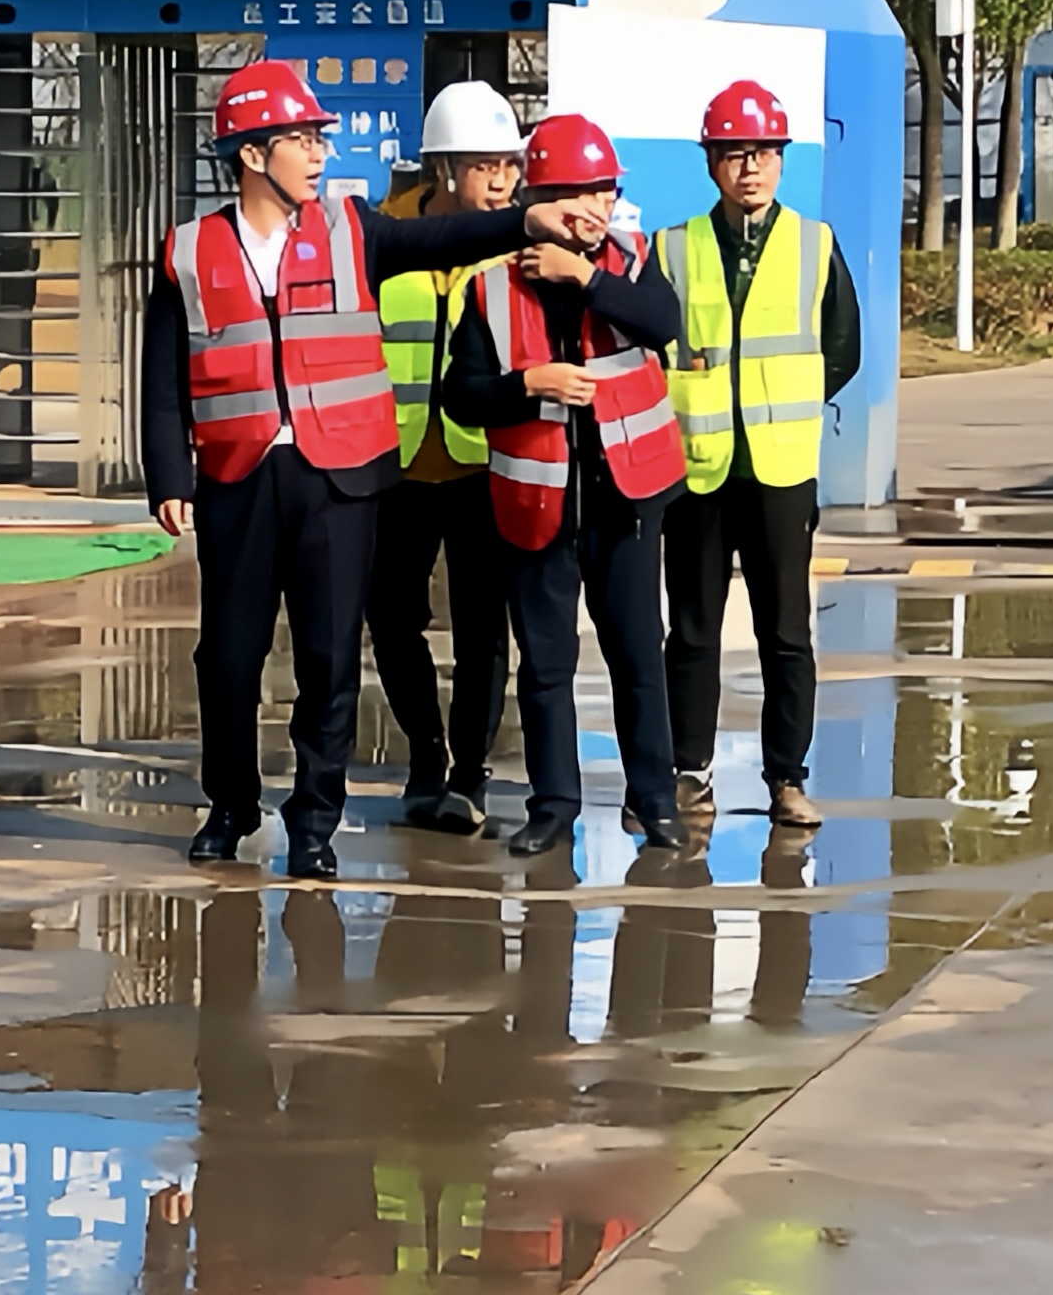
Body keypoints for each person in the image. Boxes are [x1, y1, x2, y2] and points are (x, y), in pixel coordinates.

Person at [136, 59, 563, 879]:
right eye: (303, 139)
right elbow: (163, 377)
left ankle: (314, 823)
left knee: (330, 657)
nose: (319, 153)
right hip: (239, 473)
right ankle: (230, 805)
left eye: (318, 137)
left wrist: (530, 219)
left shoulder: (351, 227)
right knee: (227, 655)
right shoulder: (189, 252)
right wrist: (168, 477)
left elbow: (444, 235)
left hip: (342, 477)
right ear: (254, 154)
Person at [437, 110, 692, 863]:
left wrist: (586, 277)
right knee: (545, 665)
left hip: (626, 495)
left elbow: (662, 322)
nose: (591, 209)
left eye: (603, 192)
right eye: (573, 193)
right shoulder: (489, 289)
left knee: (637, 654)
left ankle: (653, 800)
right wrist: (526, 384)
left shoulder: (631, 260)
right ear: (536, 200)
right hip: (534, 502)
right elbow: (460, 396)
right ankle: (554, 806)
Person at [656, 78, 862, 834]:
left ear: (783, 161)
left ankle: (786, 777)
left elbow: (843, 346)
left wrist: (785, 401)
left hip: (778, 468)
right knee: (695, 631)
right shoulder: (673, 248)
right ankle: (691, 773)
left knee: (785, 633)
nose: (751, 167)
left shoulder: (816, 245)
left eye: (764, 152)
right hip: (700, 469)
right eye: (735, 153)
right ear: (711, 162)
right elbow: (652, 344)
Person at [369, 78, 529, 834]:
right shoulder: (379, 236)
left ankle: (468, 772)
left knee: (481, 632)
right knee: (394, 619)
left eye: (510, 166)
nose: (502, 182)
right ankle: (424, 758)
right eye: (485, 166)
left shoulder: (518, 248)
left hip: (480, 464)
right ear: (441, 169)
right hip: (391, 466)